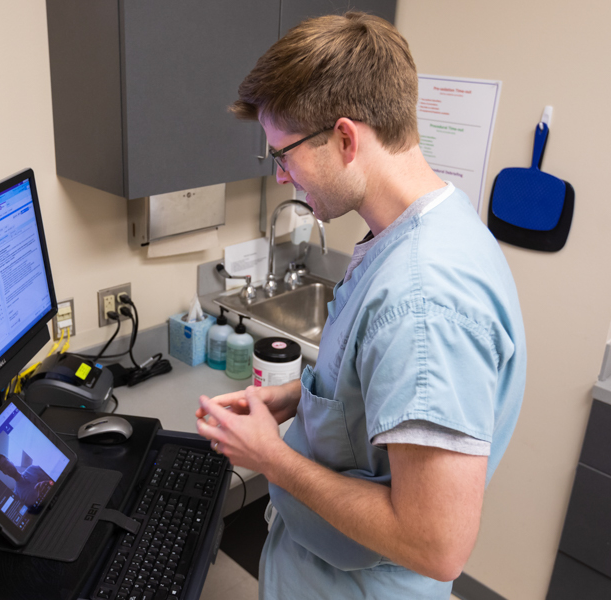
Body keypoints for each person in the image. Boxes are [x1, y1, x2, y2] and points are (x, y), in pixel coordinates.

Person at [195, 12, 525, 600]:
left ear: (346, 139)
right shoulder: (418, 224)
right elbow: (375, 382)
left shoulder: (426, 300)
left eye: (284, 153)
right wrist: (293, 396)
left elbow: (436, 543)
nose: (280, 177)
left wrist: (272, 459)